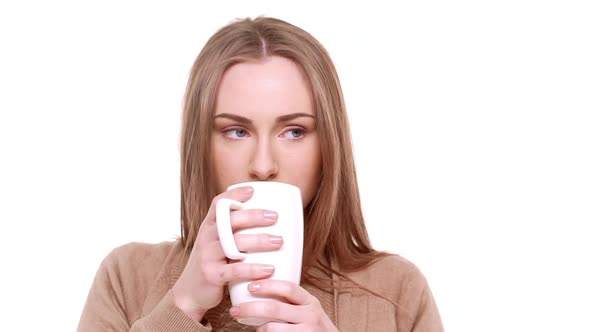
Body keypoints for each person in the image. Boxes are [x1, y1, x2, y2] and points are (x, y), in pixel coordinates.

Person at [78, 16, 444, 332]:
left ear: (328, 145)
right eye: (237, 131)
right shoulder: (127, 278)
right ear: (200, 146)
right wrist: (183, 306)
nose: (264, 165)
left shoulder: (396, 290)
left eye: (294, 131)